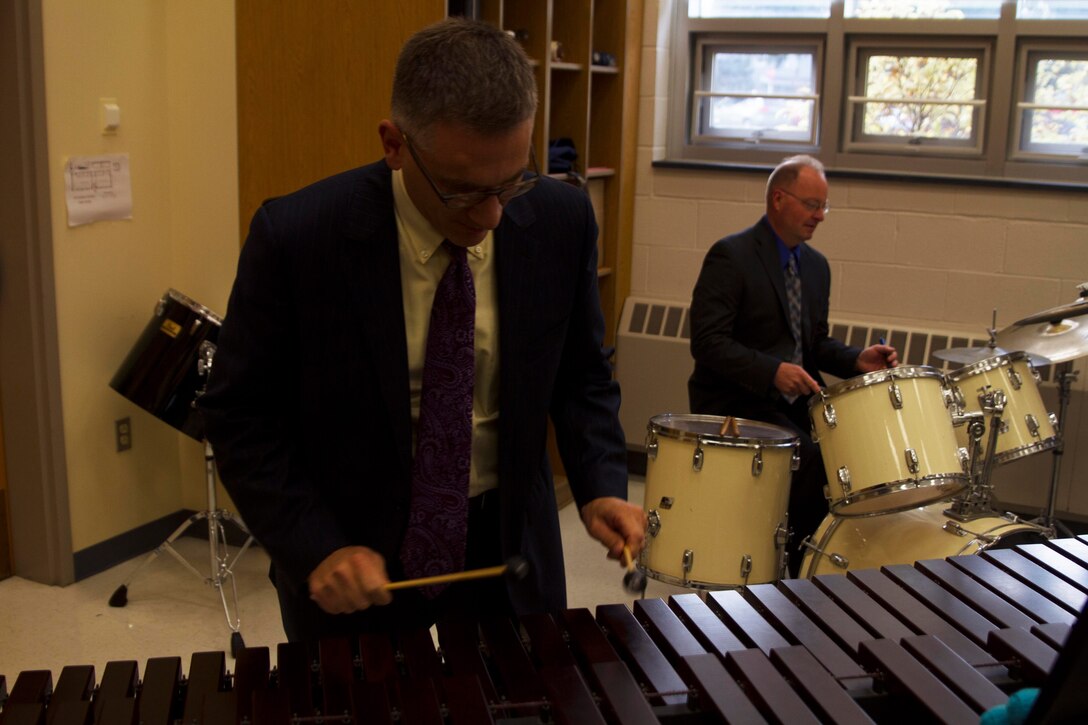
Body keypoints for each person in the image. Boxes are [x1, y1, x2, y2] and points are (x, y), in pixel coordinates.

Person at [199, 17, 645, 642]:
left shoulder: (561, 221)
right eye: (464, 191)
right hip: (354, 554)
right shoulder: (299, 239)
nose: (492, 215)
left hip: (509, 546)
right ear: (394, 144)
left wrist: (601, 485)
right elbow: (240, 415)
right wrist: (312, 544)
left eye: (511, 182)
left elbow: (580, 376)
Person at [687, 155, 897, 577]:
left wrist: (857, 359)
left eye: (824, 207)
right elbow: (708, 343)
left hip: (794, 399)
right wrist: (772, 371)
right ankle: (795, 571)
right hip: (737, 398)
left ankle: (820, 559)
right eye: (811, 204)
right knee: (811, 462)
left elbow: (813, 343)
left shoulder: (815, 266)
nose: (819, 216)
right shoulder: (731, 256)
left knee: (855, 450)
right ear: (779, 199)